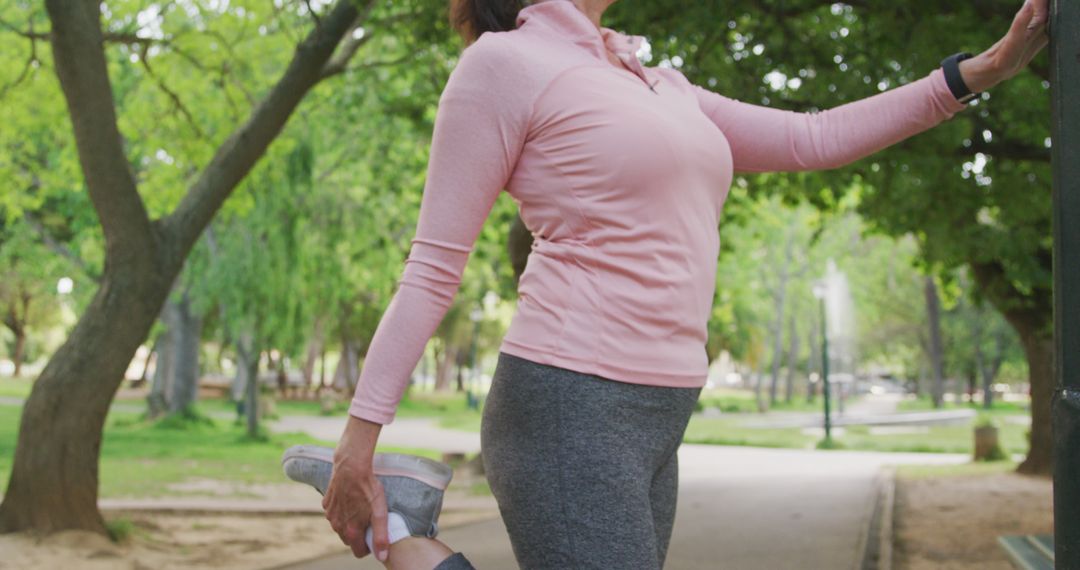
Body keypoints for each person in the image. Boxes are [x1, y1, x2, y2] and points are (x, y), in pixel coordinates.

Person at [288, 0, 1049, 568]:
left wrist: (973, 74)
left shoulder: (657, 83)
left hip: (662, 412)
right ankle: (404, 543)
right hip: (568, 398)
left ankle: (411, 541)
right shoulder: (502, 64)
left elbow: (812, 137)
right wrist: (360, 441)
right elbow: (433, 266)